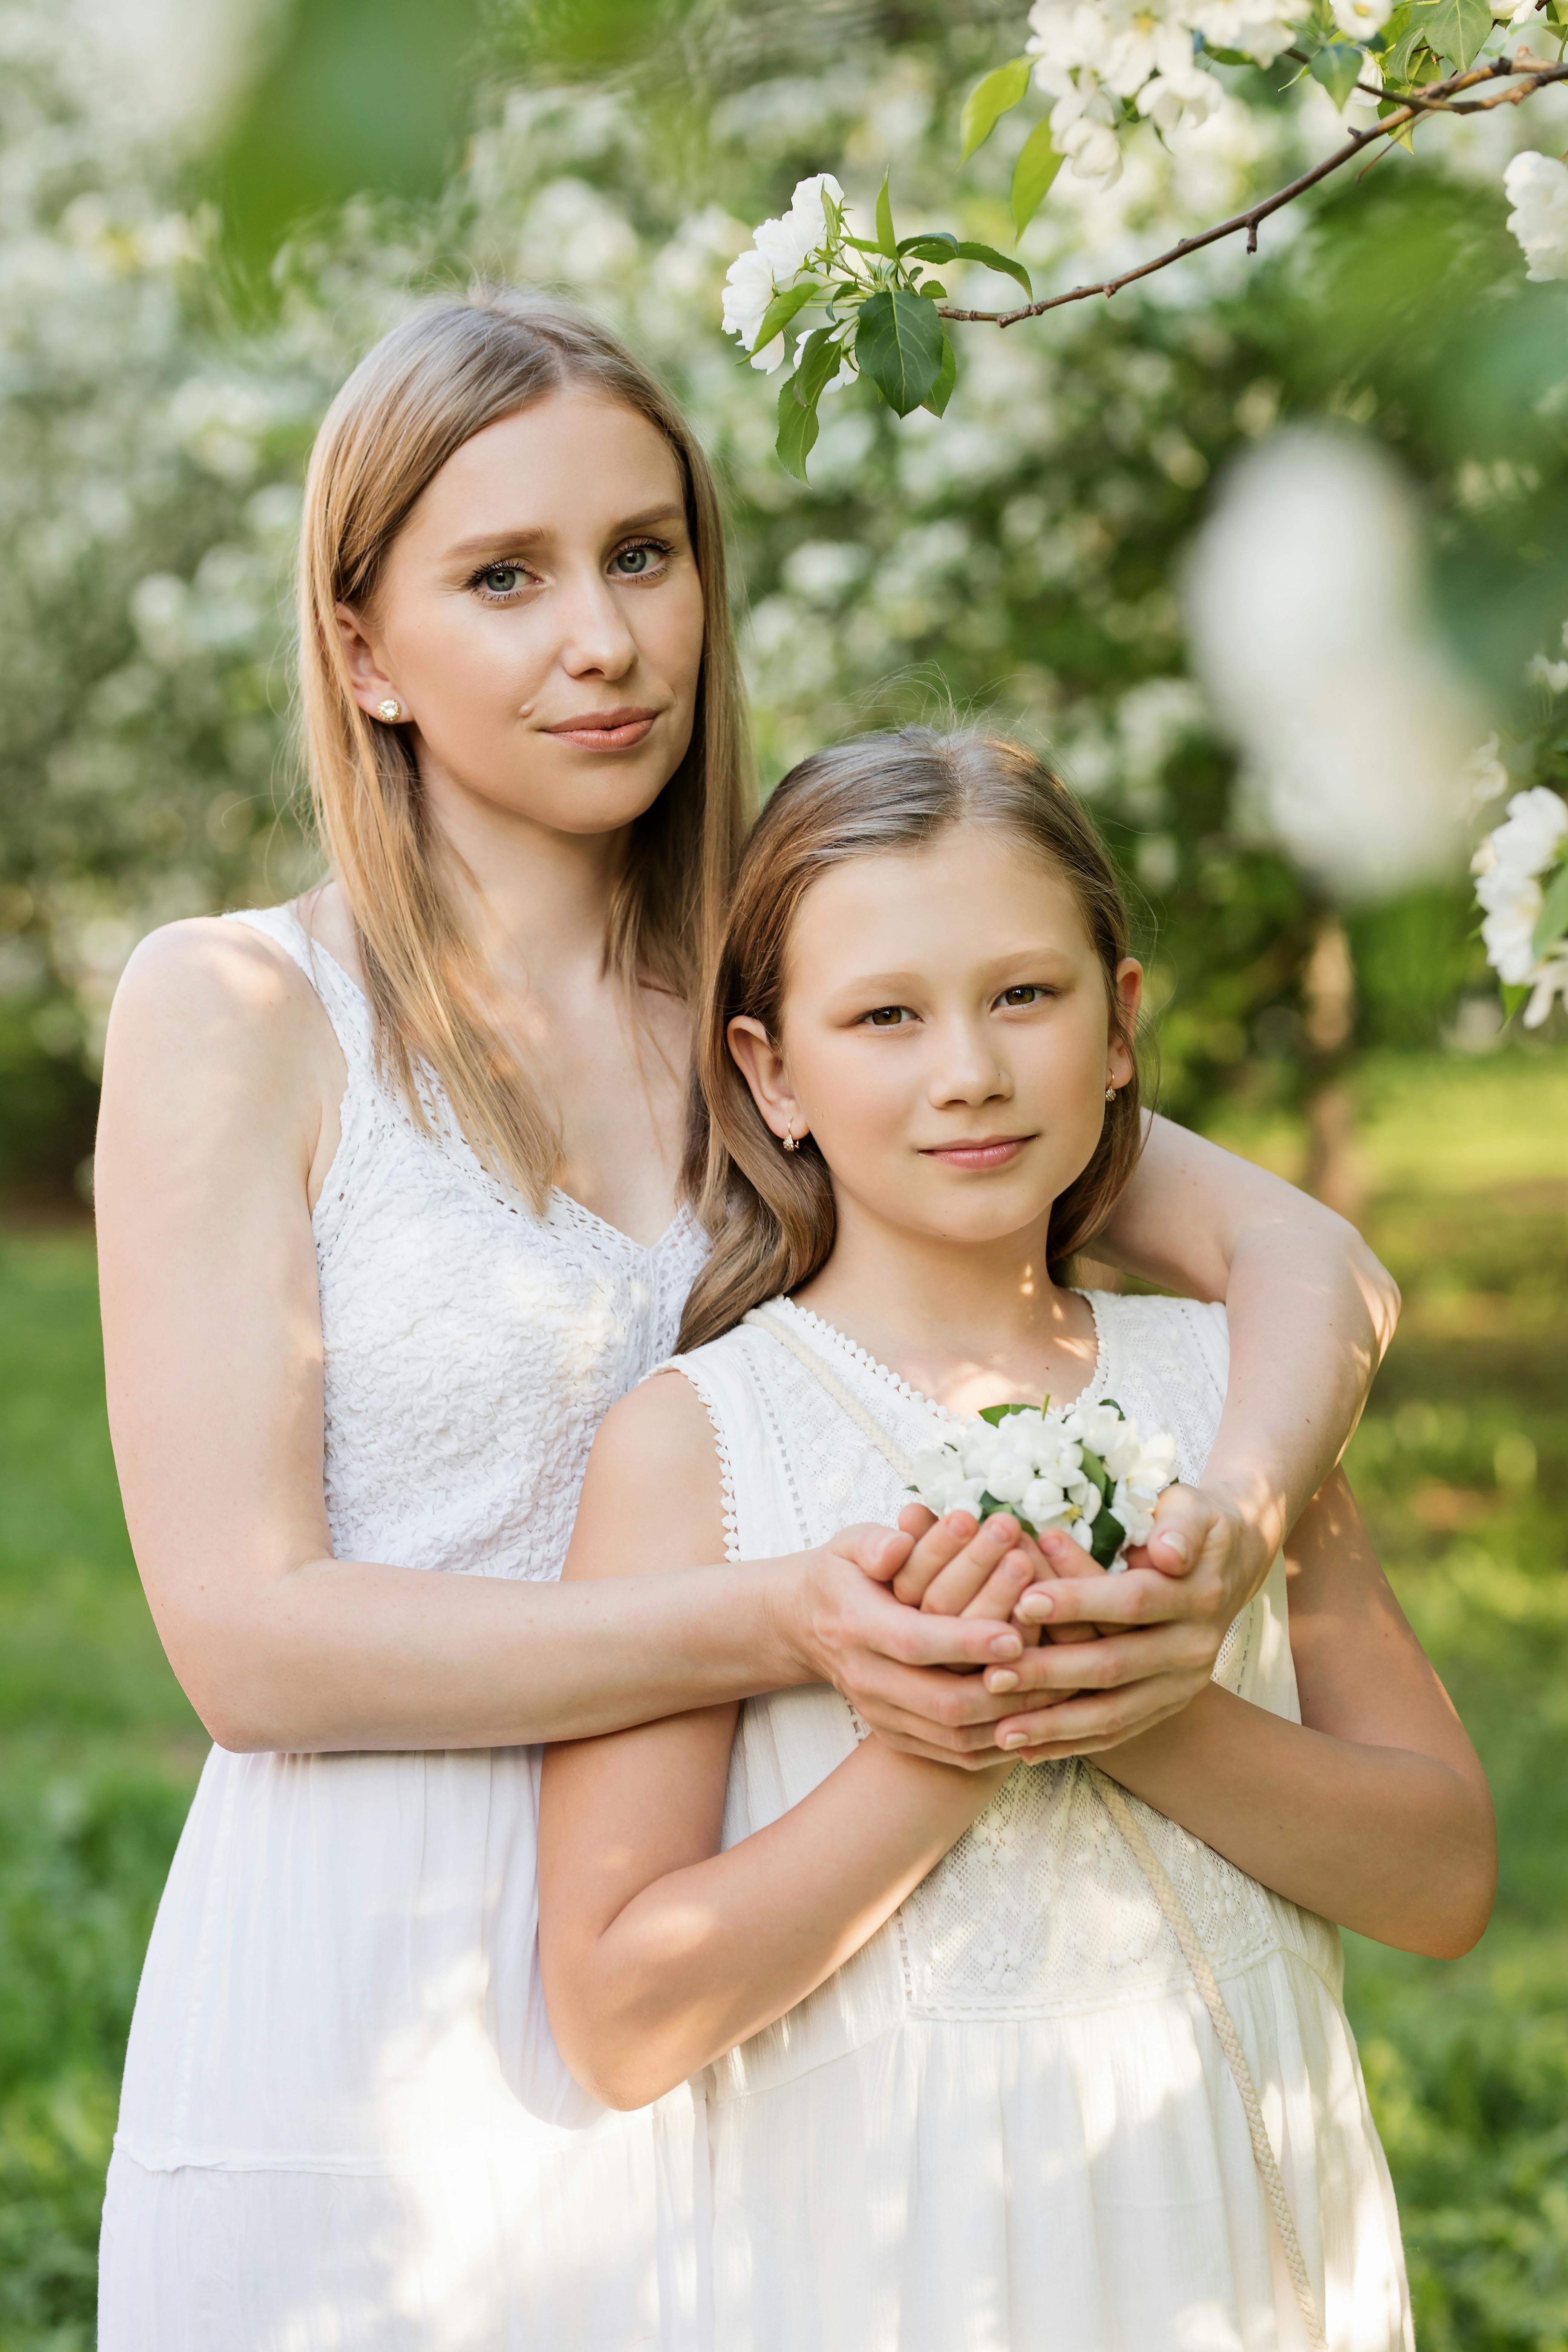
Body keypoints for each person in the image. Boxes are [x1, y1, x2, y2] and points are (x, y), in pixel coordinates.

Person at [94, 296, 1399, 2348]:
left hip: (776, 1969)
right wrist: (796, 1618)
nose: (601, 640)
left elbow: (1316, 1263)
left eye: (643, 552)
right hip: (374, 1965)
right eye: (502, 578)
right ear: (362, 649)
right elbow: (245, 1642)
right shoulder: (244, 1009)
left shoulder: (807, 1015)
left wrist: (1236, 1506)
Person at [539, 727, 1496, 2352]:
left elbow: (1442, 1878)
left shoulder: (1230, 1390)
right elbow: (625, 2019)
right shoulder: (695, 1442)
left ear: (1120, 1025)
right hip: (898, 2257)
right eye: (886, 1017)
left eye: (1022, 998)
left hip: (1234, 2219)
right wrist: (953, 1740)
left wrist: (1149, 1710)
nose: (966, 1071)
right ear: (771, 1073)